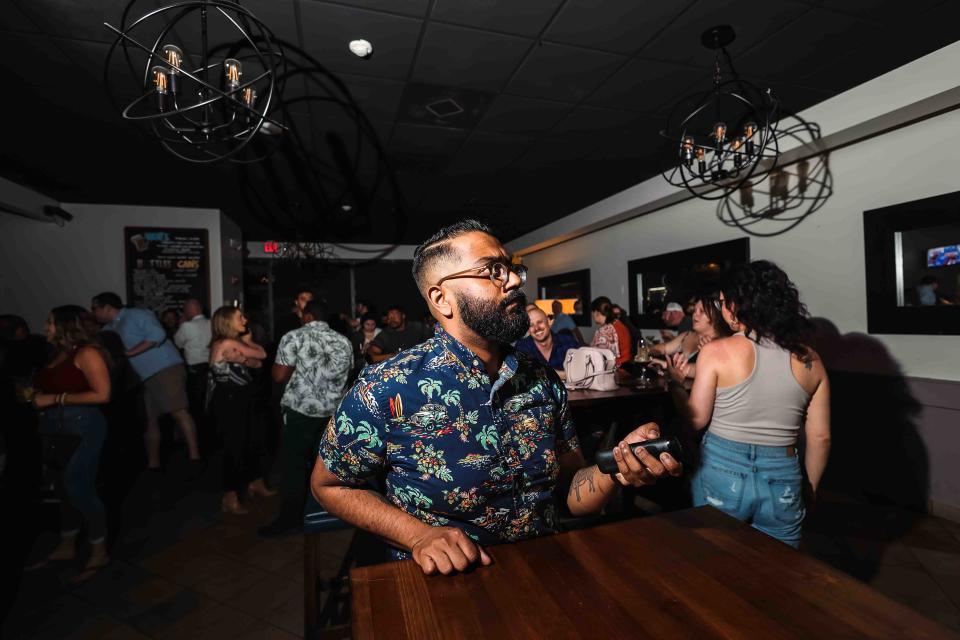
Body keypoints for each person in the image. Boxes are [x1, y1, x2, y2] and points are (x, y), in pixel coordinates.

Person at [311, 220, 681, 576]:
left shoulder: (540, 378)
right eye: (492, 270)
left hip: (545, 571)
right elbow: (330, 485)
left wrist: (615, 466)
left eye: (511, 268)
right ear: (442, 299)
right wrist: (418, 535)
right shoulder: (388, 386)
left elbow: (568, 488)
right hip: (443, 586)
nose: (516, 280)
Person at [668, 261, 830, 548]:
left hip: (722, 467)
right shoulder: (811, 360)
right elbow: (820, 437)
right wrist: (811, 490)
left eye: (722, 302)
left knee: (714, 562)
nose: (722, 310)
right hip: (782, 473)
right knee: (781, 569)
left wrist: (676, 385)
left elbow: (696, 420)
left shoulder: (717, 351)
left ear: (736, 304)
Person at [30, 306, 112, 580]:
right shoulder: (59, 353)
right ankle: (67, 544)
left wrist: (55, 399)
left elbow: (102, 394)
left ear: (64, 325)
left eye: (50, 322)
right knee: (61, 487)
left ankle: (99, 549)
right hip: (55, 425)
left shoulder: (86, 353)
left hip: (82, 424)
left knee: (78, 485)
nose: (45, 327)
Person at [261, 298, 353, 536]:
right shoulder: (344, 341)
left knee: (293, 466)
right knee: (322, 467)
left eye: (303, 315)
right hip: (331, 414)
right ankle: (329, 512)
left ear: (309, 317)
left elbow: (279, 376)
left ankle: (291, 519)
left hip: (301, 412)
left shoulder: (294, 337)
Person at [91, 292, 200, 470]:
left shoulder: (136, 315)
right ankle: (153, 465)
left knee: (178, 411)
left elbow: (157, 334)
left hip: (165, 369)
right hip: (146, 377)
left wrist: (130, 353)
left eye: (95, 308)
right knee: (150, 421)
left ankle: (195, 459)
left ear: (107, 307)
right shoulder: (109, 329)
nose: (93, 312)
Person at [208, 306, 272, 514]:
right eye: (239, 318)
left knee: (252, 440)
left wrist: (243, 357)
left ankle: (255, 482)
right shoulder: (227, 343)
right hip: (229, 400)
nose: (244, 320)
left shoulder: (232, 343)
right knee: (234, 446)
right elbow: (261, 354)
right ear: (227, 322)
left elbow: (256, 364)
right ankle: (230, 496)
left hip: (241, 398)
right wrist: (248, 348)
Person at [653, 290, 732, 380]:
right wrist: (643, 352)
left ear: (715, 316)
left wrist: (666, 365)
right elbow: (663, 348)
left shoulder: (722, 342)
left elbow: (704, 370)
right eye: (695, 310)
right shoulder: (687, 335)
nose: (695, 315)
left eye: (701, 311)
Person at [173, 298, 211, 435]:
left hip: (195, 369)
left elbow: (177, 343)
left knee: (196, 403)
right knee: (208, 401)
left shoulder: (187, 326)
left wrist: (181, 324)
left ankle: (199, 434)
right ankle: (209, 432)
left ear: (189, 311)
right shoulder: (211, 323)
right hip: (211, 366)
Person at [515, 306, 578, 377]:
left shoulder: (568, 342)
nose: (536, 328)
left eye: (539, 322)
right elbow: (524, 375)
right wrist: (564, 374)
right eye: (531, 325)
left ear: (549, 321)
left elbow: (582, 372)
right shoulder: (523, 346)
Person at [366, 305, 430, 363]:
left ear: (403, 316)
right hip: (396, 368)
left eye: (395, 316)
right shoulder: (385, 334)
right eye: (389, 317)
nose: (392, 319)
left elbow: (434, 339)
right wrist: (392, 356)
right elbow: (373, 356)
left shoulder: (417, 327)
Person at [590, 297, 633, 368]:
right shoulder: (620, 324)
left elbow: (597, 358)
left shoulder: (603, 332)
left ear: (596, 313)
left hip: (614, 371)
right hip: (627, 367)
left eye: (592, 312)